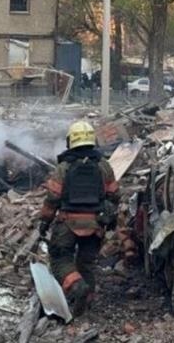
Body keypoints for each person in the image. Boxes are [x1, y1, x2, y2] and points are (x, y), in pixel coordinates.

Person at [38, 120, 120, 315]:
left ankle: (77, 287)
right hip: (95, 224)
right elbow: (114, 195)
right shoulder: (103, 165)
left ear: (70, 141)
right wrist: (110, 218)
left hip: (67, 222)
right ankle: (86, 302)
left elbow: (52, 198)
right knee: (86, 263)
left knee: (60, 258)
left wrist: (45, 221)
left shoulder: (64, 167)